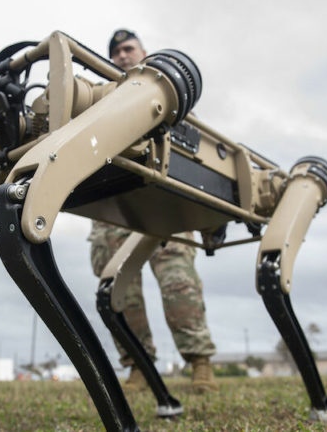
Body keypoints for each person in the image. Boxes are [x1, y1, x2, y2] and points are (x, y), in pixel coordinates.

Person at [88, 29, 217, 393]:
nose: (122, 56)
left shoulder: (171, 94)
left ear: (144, 52)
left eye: (128, 49)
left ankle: (200, 363)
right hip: (113, 200)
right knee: (118, 287)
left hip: (164, 199)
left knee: (179, 281)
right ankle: (138, 365)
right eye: (115, 52)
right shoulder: (102, 99)